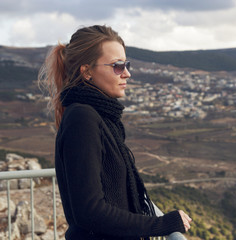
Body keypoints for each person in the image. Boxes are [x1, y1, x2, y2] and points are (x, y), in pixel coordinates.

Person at [39, 25, 192, 240]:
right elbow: (89, 211)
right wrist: (160, 224)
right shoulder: (82, 118)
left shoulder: (100, 116)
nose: (127, 74)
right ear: (87, 71)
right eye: (117, 66)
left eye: (126, 64)